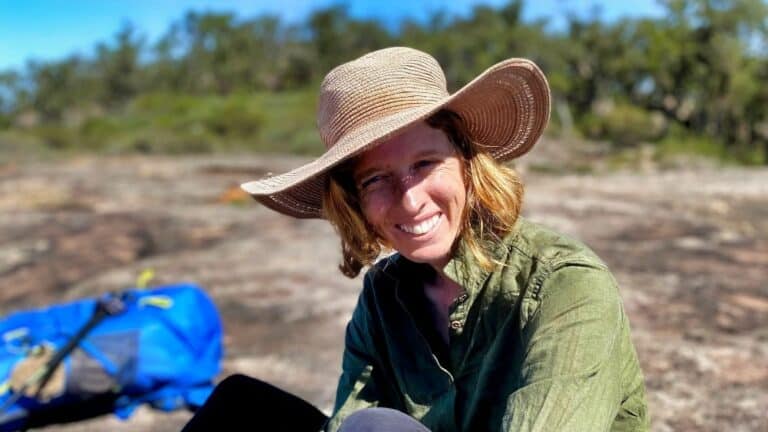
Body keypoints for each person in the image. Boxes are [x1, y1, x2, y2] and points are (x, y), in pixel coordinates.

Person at [183, 47, 649, 431]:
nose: (409, 201)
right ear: (355, 202)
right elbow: (351, 417)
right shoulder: (385, 294)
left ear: (467, 161)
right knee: (239, 407)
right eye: (375, 180)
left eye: (424, 164)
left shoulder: (563, 285)